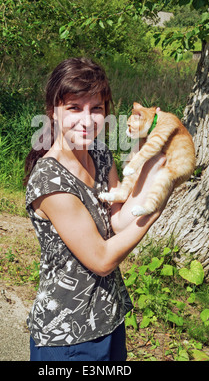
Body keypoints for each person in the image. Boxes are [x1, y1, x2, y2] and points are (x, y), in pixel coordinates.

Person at [24, 57, 168, 362]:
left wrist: (157, 175)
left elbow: (117, 221)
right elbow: (101, 260)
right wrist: (153, 213)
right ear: (53, 111)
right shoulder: (50, 182)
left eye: (97, 109)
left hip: (108, 316)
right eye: (75, 108)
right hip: (68, 334)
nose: (87, 120)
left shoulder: (101, 154)